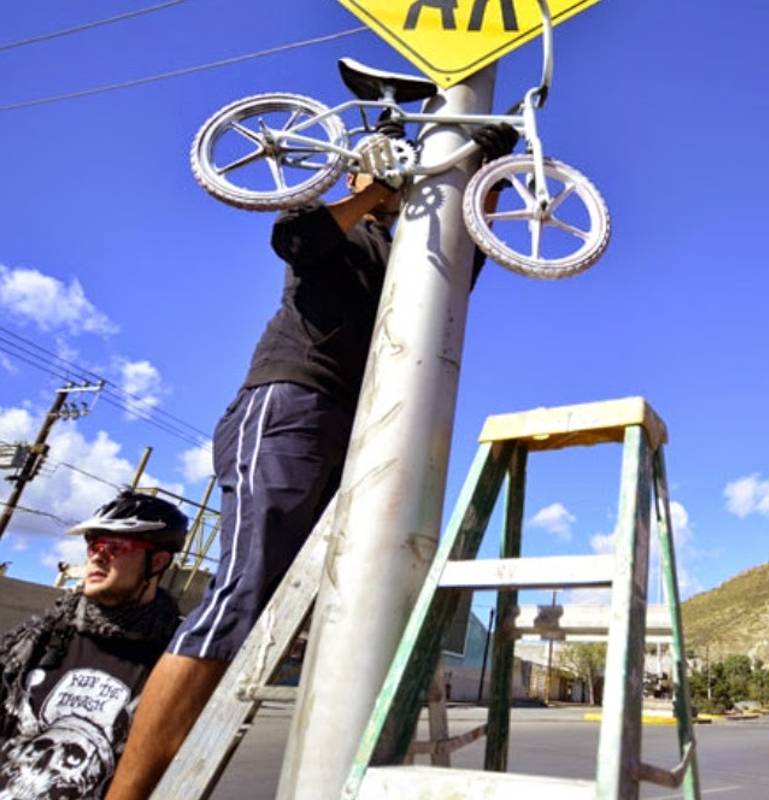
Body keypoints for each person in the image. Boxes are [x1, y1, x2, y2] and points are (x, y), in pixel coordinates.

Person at [105, 123, 518, 800]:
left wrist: (485, 173)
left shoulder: (405, 256)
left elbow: (466, 257)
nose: (394, 183)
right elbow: (293, 236)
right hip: (291, 404)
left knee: (339, 601)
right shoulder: (336, 229)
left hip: (361, 432)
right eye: (375, 170)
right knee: (238, 596)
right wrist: (374, 185)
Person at [0, 490, 187, 800]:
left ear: (158, 561)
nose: (98, 556)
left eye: (116, 547)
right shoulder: (38, 639)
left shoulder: (175, 658)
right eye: (94, 545)